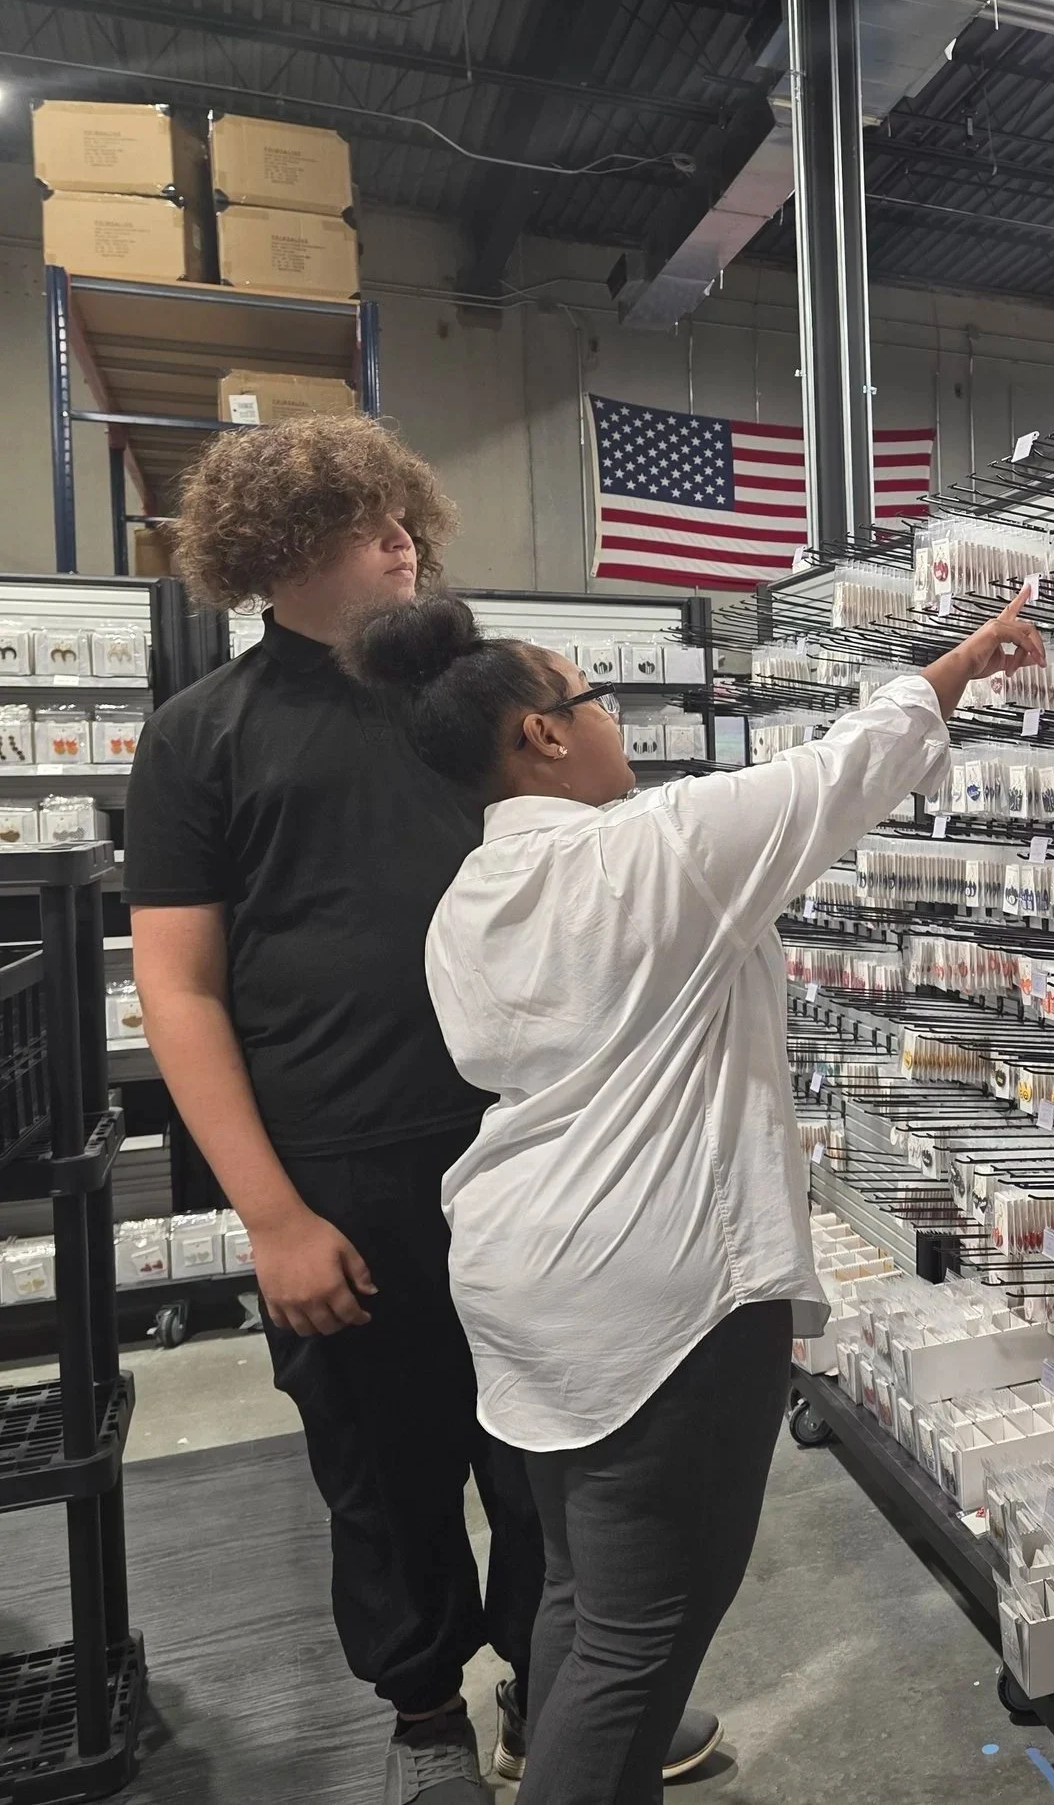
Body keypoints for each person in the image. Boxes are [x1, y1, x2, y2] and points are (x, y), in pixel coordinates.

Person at [337, 584, 1044, 1804]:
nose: (614, 721)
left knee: (580, 1591)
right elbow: (836, 775)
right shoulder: (646, 853)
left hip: (525, 1275)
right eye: (595, 700)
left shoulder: (470, 898)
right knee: (639, 1640)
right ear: (543, 735)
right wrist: (961, 665)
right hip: (661, 1292)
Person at [123, 415, 728, 1805]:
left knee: (552, 1445)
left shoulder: (471, 703)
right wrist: (271, 1213)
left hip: (529, 1140)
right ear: (274, 553)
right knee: (383, 1463)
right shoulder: (200, 735)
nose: (400, 536)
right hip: (341, 1167)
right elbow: (181, 985)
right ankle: (421, 1715)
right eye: (358, 520)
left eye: (402, 510)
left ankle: (549, 1679)